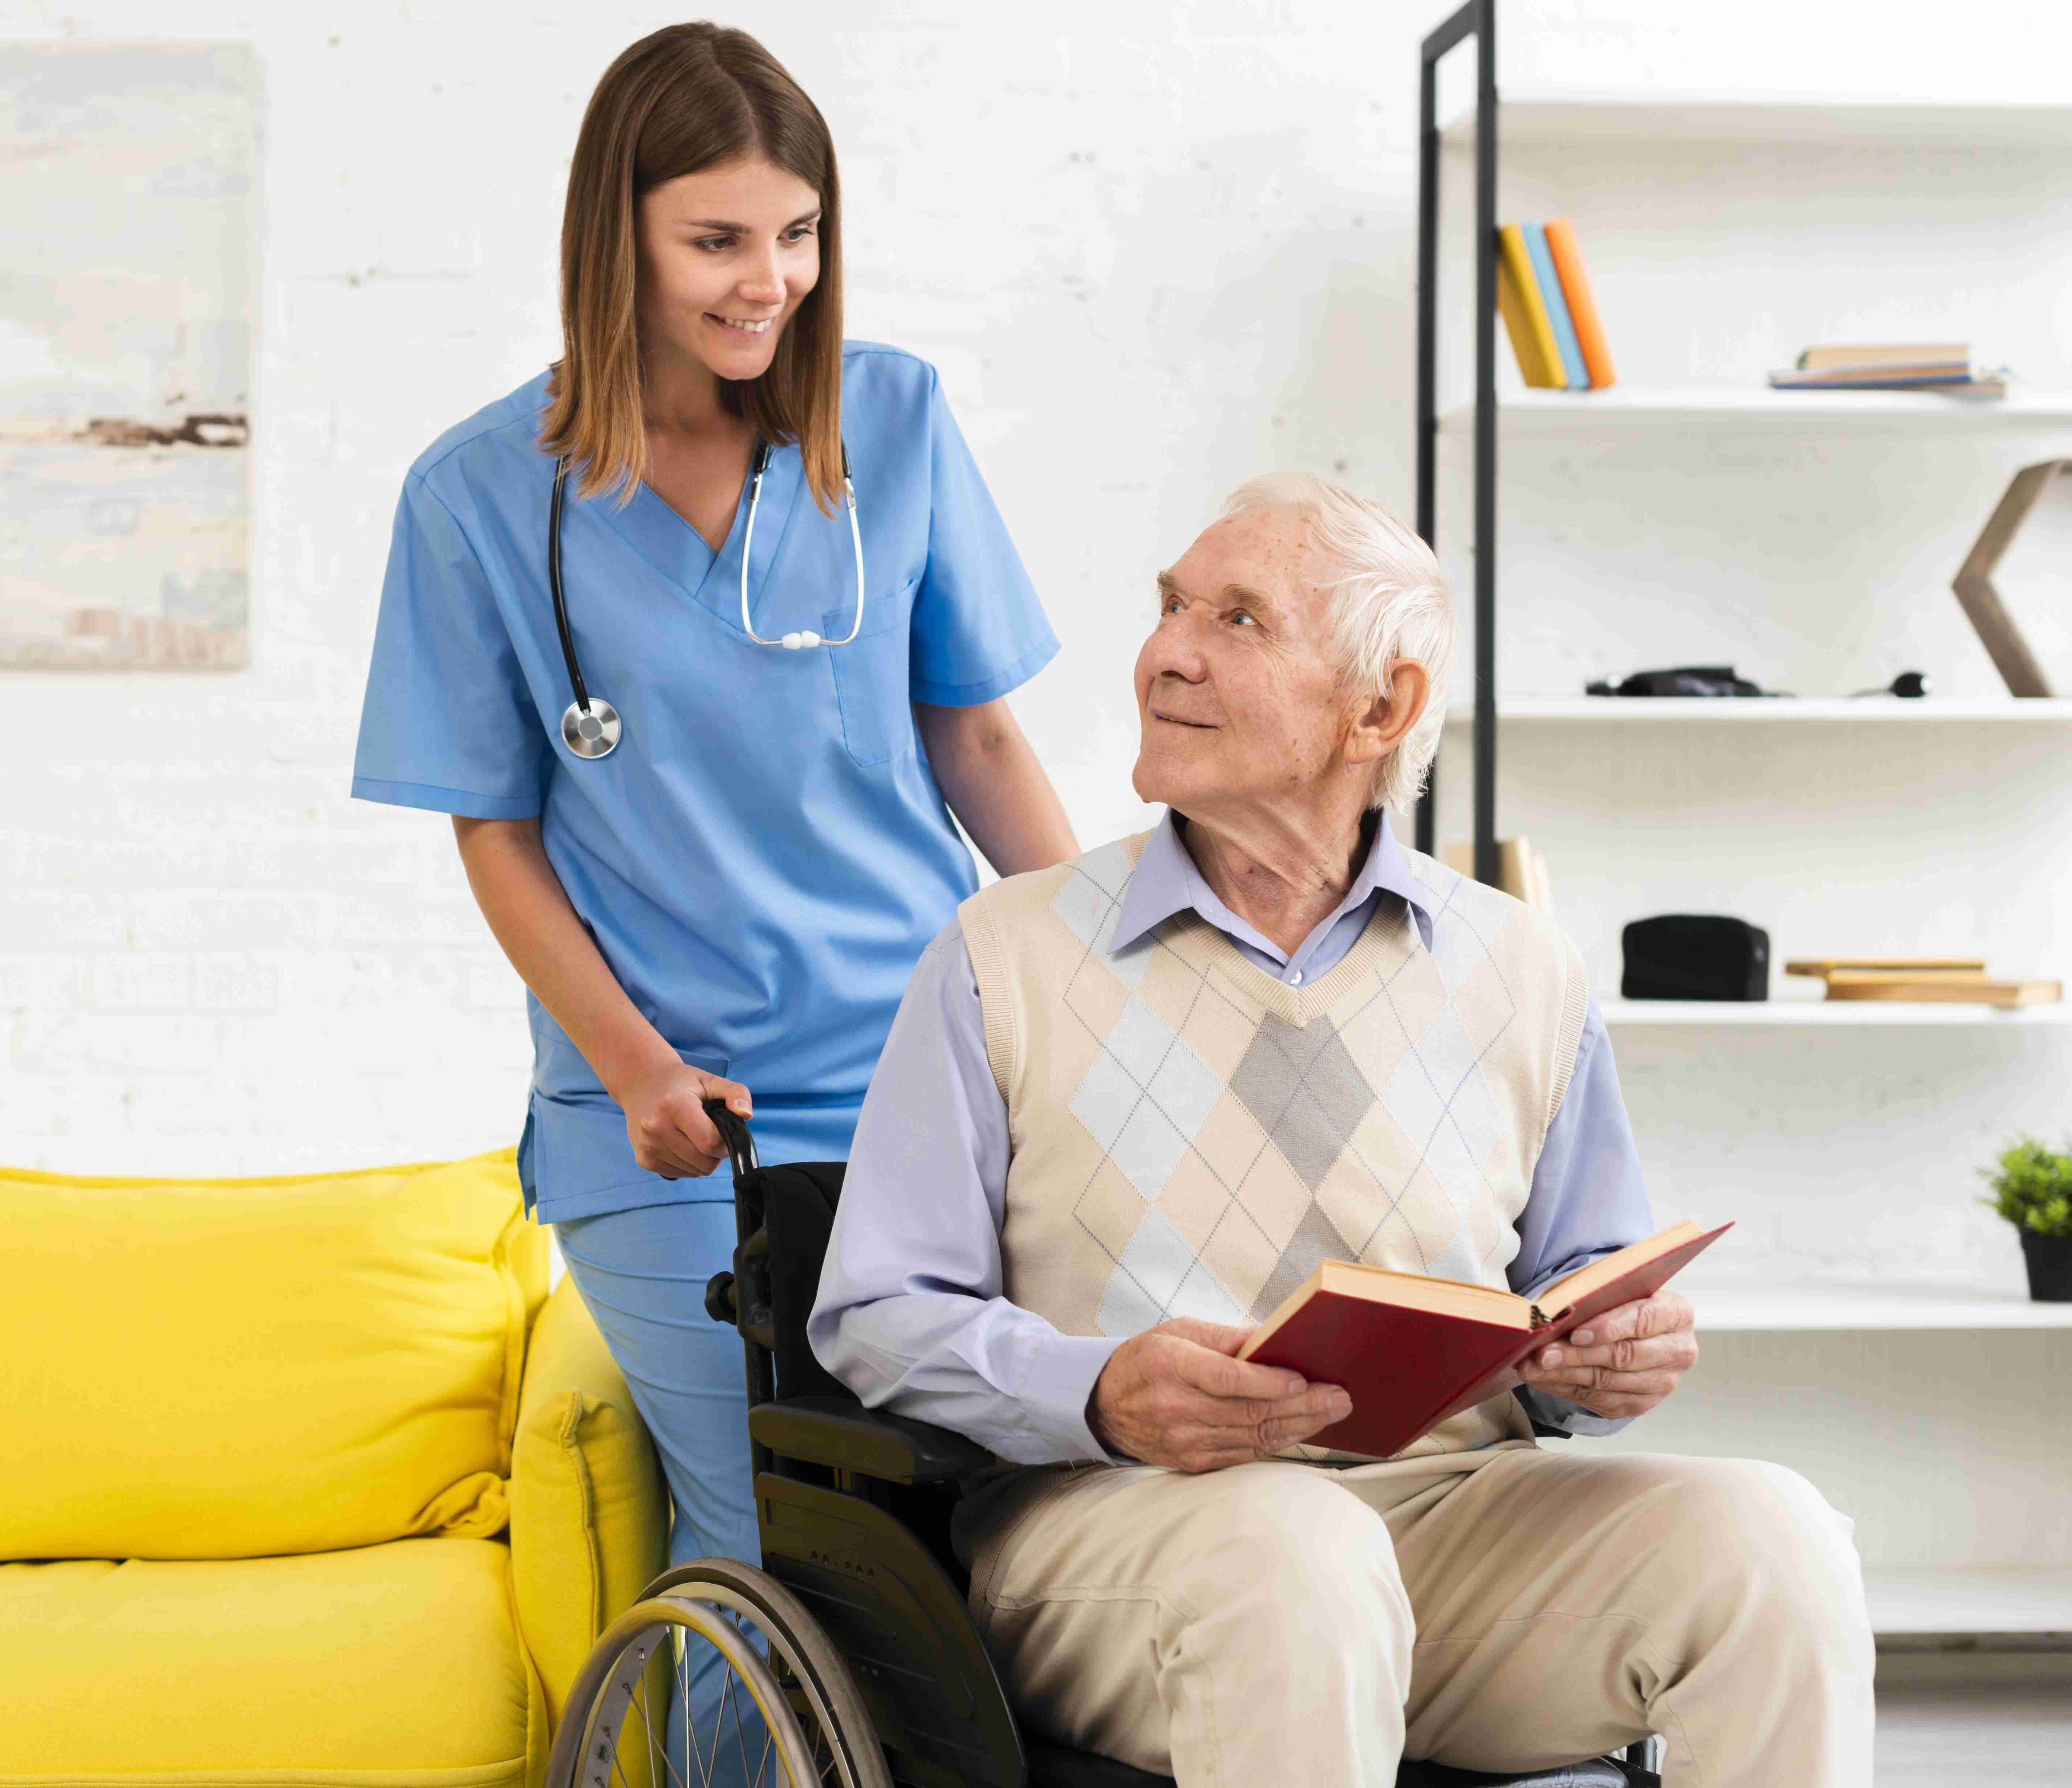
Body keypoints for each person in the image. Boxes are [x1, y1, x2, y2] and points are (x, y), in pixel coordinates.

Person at [810, 472, 1872, 1787]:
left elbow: (1574, 1292)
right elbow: (877, 1313)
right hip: (1119, 1536)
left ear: (1385, 708)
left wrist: (1605, 1358)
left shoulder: (1519, 965)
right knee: (1295, 1558)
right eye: (1171, 607)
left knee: (1776, 1537)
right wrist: (1098, 1391)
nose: (1167, 652)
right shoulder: (1000, 957)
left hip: (1449, 1522)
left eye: (1240, 620)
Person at [350, 18, 1078, 1752]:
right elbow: (497, 833)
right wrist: (630, 1066)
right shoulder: (475, 499)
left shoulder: (886, 423)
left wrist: (1121, 985)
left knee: (943, 1544)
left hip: (927, 1094)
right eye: (718, 240)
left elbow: (974, 740)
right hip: (677, 1122)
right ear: (619, 238)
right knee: (780, 1551)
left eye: (799, 233)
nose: (771, 282)